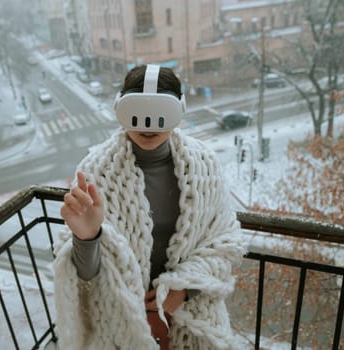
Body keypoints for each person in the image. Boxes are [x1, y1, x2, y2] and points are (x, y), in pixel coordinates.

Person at [53, 64, 246, 349]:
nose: (148, 125)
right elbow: (84, 276)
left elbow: (226, 243)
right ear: (120, 109)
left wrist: (184, 288)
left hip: (190, 319)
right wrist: (86, 237)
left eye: (161, 114)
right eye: (137, 111)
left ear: (179, 111)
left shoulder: (204, 165)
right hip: (119, 323)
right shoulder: (95, 172)